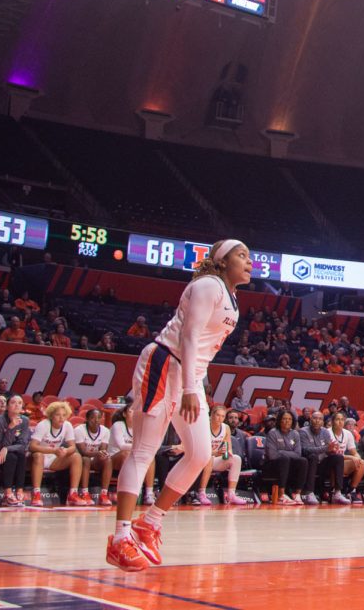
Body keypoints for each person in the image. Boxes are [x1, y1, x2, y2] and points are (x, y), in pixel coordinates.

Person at [106, 239, 251, 572]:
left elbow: (202, 347)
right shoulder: (207, 285)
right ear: (221, 261)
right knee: (144, 451)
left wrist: (196, 381)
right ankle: (120, 539)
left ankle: (151, 521)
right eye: (241, 255)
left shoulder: (232, 298)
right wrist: (189, 386)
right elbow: (188, 335)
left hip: (190, 375)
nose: (249, 262)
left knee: (201, 453)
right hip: (164, 364)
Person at [29, 401, 85, 506]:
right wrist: (53, 450)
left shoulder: (67, 425)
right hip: (38, 457)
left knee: (76, 457)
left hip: (53, 459)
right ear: (51, 415)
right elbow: (32, 446)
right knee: (38, 455)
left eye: (64, 415)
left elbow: (73, 447)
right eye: (58, 415)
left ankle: (73, 494)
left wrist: (66, 451)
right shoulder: (43, 425)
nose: (61, 418)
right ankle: (36, 494)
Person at [193, 405, 248, 506]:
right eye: (218, 415)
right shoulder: (204, 426)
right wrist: (217, 452)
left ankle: (231, 494)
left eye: (222, 416)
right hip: (201, 459)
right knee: (208, 458)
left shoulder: (225, 428)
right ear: (212, 415)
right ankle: (202, 493)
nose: (220, 418)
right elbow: (200, 450)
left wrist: (227, 453)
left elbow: (228, 448)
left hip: (214, 459)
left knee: (236, 459)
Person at [0, 394, 31, 506]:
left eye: (19, 403)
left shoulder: (24, 420)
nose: (17, 405)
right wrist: (10, 427)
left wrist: (7, 448)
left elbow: (23, 444)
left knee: (20, 454)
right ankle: (7, 493)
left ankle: (19, 491)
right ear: (7, 406)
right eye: (13, 402)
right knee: (11, 456)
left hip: (11, 450)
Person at [75, 408, 114, 505]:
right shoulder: (79, 430)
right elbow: (83, 452)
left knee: (107, 460)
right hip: (80, 461)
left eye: (99, 418)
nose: (96, 420)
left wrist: (103, 454)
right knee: (86, 459)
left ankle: (104, 494)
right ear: (87, 419)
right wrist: (98, 453)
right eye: (93, 418)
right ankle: (85, 493)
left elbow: (103, 450)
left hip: (95, 460)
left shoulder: (105, 431)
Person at [325, 411, 364, 503]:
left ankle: (351, 491)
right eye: (337, 419)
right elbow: (332, 454)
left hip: (341, 461)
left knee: (362, 463)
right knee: (337, 459)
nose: (340, 422)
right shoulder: (327, 432)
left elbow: (354, 452)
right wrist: (351, 458)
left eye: (342, 420)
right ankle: (334, 492)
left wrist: (357, 458)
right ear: (332, 421)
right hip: (328, 462)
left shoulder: (347, 433)